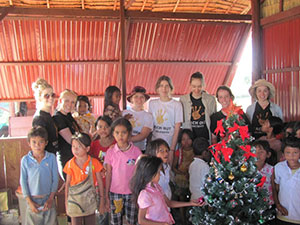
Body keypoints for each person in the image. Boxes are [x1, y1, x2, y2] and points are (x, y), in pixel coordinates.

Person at [130, 155, 203, 225]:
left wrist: (190, 203)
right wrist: (161, 224)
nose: (160, 175)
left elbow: (169, 203)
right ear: (150, 174)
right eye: (158, 172)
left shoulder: (156, 186)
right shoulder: (145, 194)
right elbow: (141, 220)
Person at [104, 118, 142, 225]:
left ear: (129, 133)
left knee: (132, 220)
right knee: (115, 221)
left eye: (124, 132)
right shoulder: (110, 152)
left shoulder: (136, 152)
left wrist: (139, 191)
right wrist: (106, 194)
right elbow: (108, 174)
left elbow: (139, 174)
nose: (120, 136)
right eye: (117, 132)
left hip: (132, 193)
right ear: (113, 134)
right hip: (115, 193)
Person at [20, 126, 59, 225]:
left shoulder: (51, 158)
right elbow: (23, 182)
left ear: (46, 143)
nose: (37, 145)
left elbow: (55, 179)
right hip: (32, 200)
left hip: (48, 199)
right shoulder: (25, 160)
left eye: (41, 142)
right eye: (34, 142)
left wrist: (51, 198)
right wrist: (29, 202)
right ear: (29, 143)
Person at [64, 132, 105, 225]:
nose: (75, 149)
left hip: (89, 200)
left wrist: (102, 201)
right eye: (73, 146)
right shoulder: (70, 164)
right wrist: (66, 203)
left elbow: (100, 183)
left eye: (79, 147)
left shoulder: (94, 163)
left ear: (87, 149)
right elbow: (67, 185)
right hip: (74, 202)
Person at [148, 75, 183, 165]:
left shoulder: (177, 104)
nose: (164, 89)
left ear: (170, 88)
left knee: (168, 172)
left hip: (170, 143)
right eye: (161, 86)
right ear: (157, 88)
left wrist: (171, 150)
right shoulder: (152, 103)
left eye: (167, 86)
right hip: (155, 145)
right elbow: (150, 126)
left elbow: (177, 128)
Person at [180, 72, 216, 144]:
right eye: (194, 86)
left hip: (206, 138)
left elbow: (214, 119)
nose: (196, 89)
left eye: (199, 86)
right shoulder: (183, 100)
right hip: (190, 140)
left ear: (204, 85)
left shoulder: (211, 99)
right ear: (190, 85)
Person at [53, 89, 81, 180]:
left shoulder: (69, 116)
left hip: (75, 156)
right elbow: (71, 140)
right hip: (66, 157)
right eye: (67, 101)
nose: (70, 104)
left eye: (73, 102)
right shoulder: (58, 118)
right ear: (60, 101)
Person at [272, 136, 300, 224]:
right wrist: (278, 205)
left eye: (295, 152)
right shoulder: (279, 167)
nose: (291, 156)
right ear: (283, 153)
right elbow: (275, 189)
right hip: (283, 215)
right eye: (288, 152)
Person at [32, 78, 58, 154]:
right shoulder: (39, 118)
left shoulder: (47, 115)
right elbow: (39, 145)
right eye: (46, 96)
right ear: (39, 98)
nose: (51, 98)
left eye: (52, 95)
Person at [123, 86, 153, 152]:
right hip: (124, 148)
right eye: (136, 96)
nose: (139, 99)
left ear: (145, 99)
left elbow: (143, 135)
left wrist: (126, 139)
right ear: (131, 99)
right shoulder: (124, 113)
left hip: (140, 150)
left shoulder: (148, 116)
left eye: (142, 97)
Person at [252, 140, 276, 207]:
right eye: (254, 152)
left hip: (268, 206)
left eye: (261, 152)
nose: (257, 155)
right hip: (251, 206)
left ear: (268, 154)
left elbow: (275, 189)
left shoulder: (272, 170)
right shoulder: (245, 169)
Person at [172, 129, 194, 198]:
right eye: (183, 139)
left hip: (193, 176)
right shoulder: (179, 152)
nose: (186, 142)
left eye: (188, 139)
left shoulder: (195, 151)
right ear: (180, 141)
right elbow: (173, 167)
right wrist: (183, 174)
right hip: (181, 178)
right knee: (182, 196)